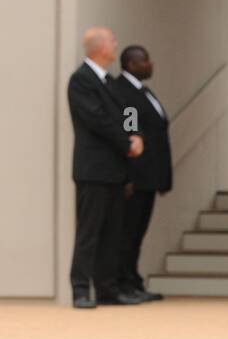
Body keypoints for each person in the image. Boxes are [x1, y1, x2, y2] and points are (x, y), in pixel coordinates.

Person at [67, 27, 145, 307]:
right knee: (89, 231)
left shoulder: (109, 82)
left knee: (112, 232)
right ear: (100, 48)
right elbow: (97, 119)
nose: (115, 46)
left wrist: (134, 134)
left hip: (114, 169)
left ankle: (107, 289)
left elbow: (129, 111)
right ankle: (80, 289)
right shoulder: (81, 80)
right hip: (93, 169)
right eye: (112, 42)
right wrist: (127, 143)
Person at [109, 45, 172, 301]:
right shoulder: (123, 91)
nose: (150, 63)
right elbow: (131, 132)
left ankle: (132, 279)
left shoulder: (141, 90)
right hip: (136, 177)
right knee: (128, 232)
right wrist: (130, 176)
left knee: (137, 233)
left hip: (149, 177)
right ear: (132, 63)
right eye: (145, 60)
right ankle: (123, 282)